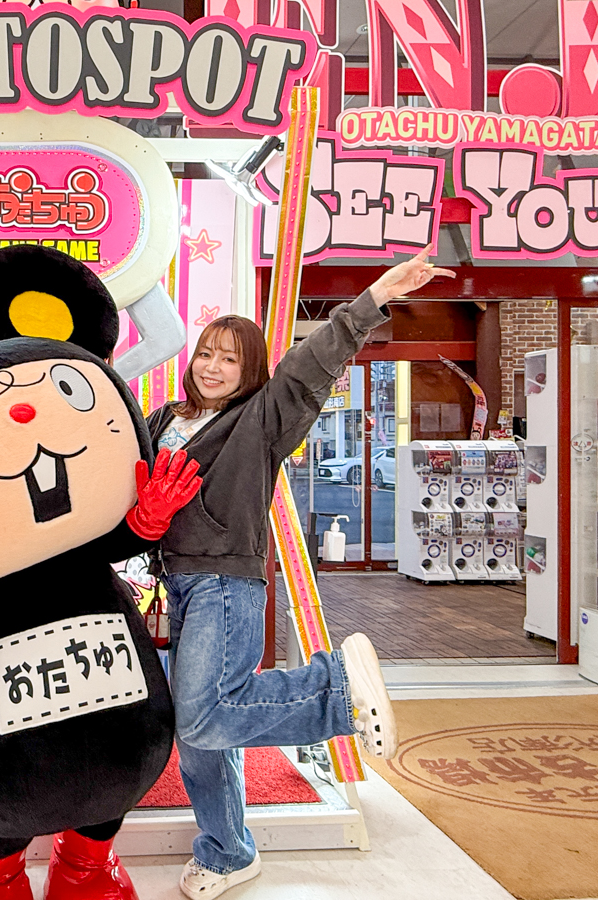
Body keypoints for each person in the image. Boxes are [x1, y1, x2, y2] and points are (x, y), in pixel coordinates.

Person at [148, 246, 455, 900]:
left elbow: (311, 362)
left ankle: (336, 688)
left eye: (230, 359)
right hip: (176, 586)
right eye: (206, 353)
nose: (212, 367)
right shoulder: (162, 420)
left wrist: (376, 297)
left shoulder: (261, 417)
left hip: (225, 583)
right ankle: (228, 853)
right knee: (204, 740)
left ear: (250, 371)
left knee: (202, 719)